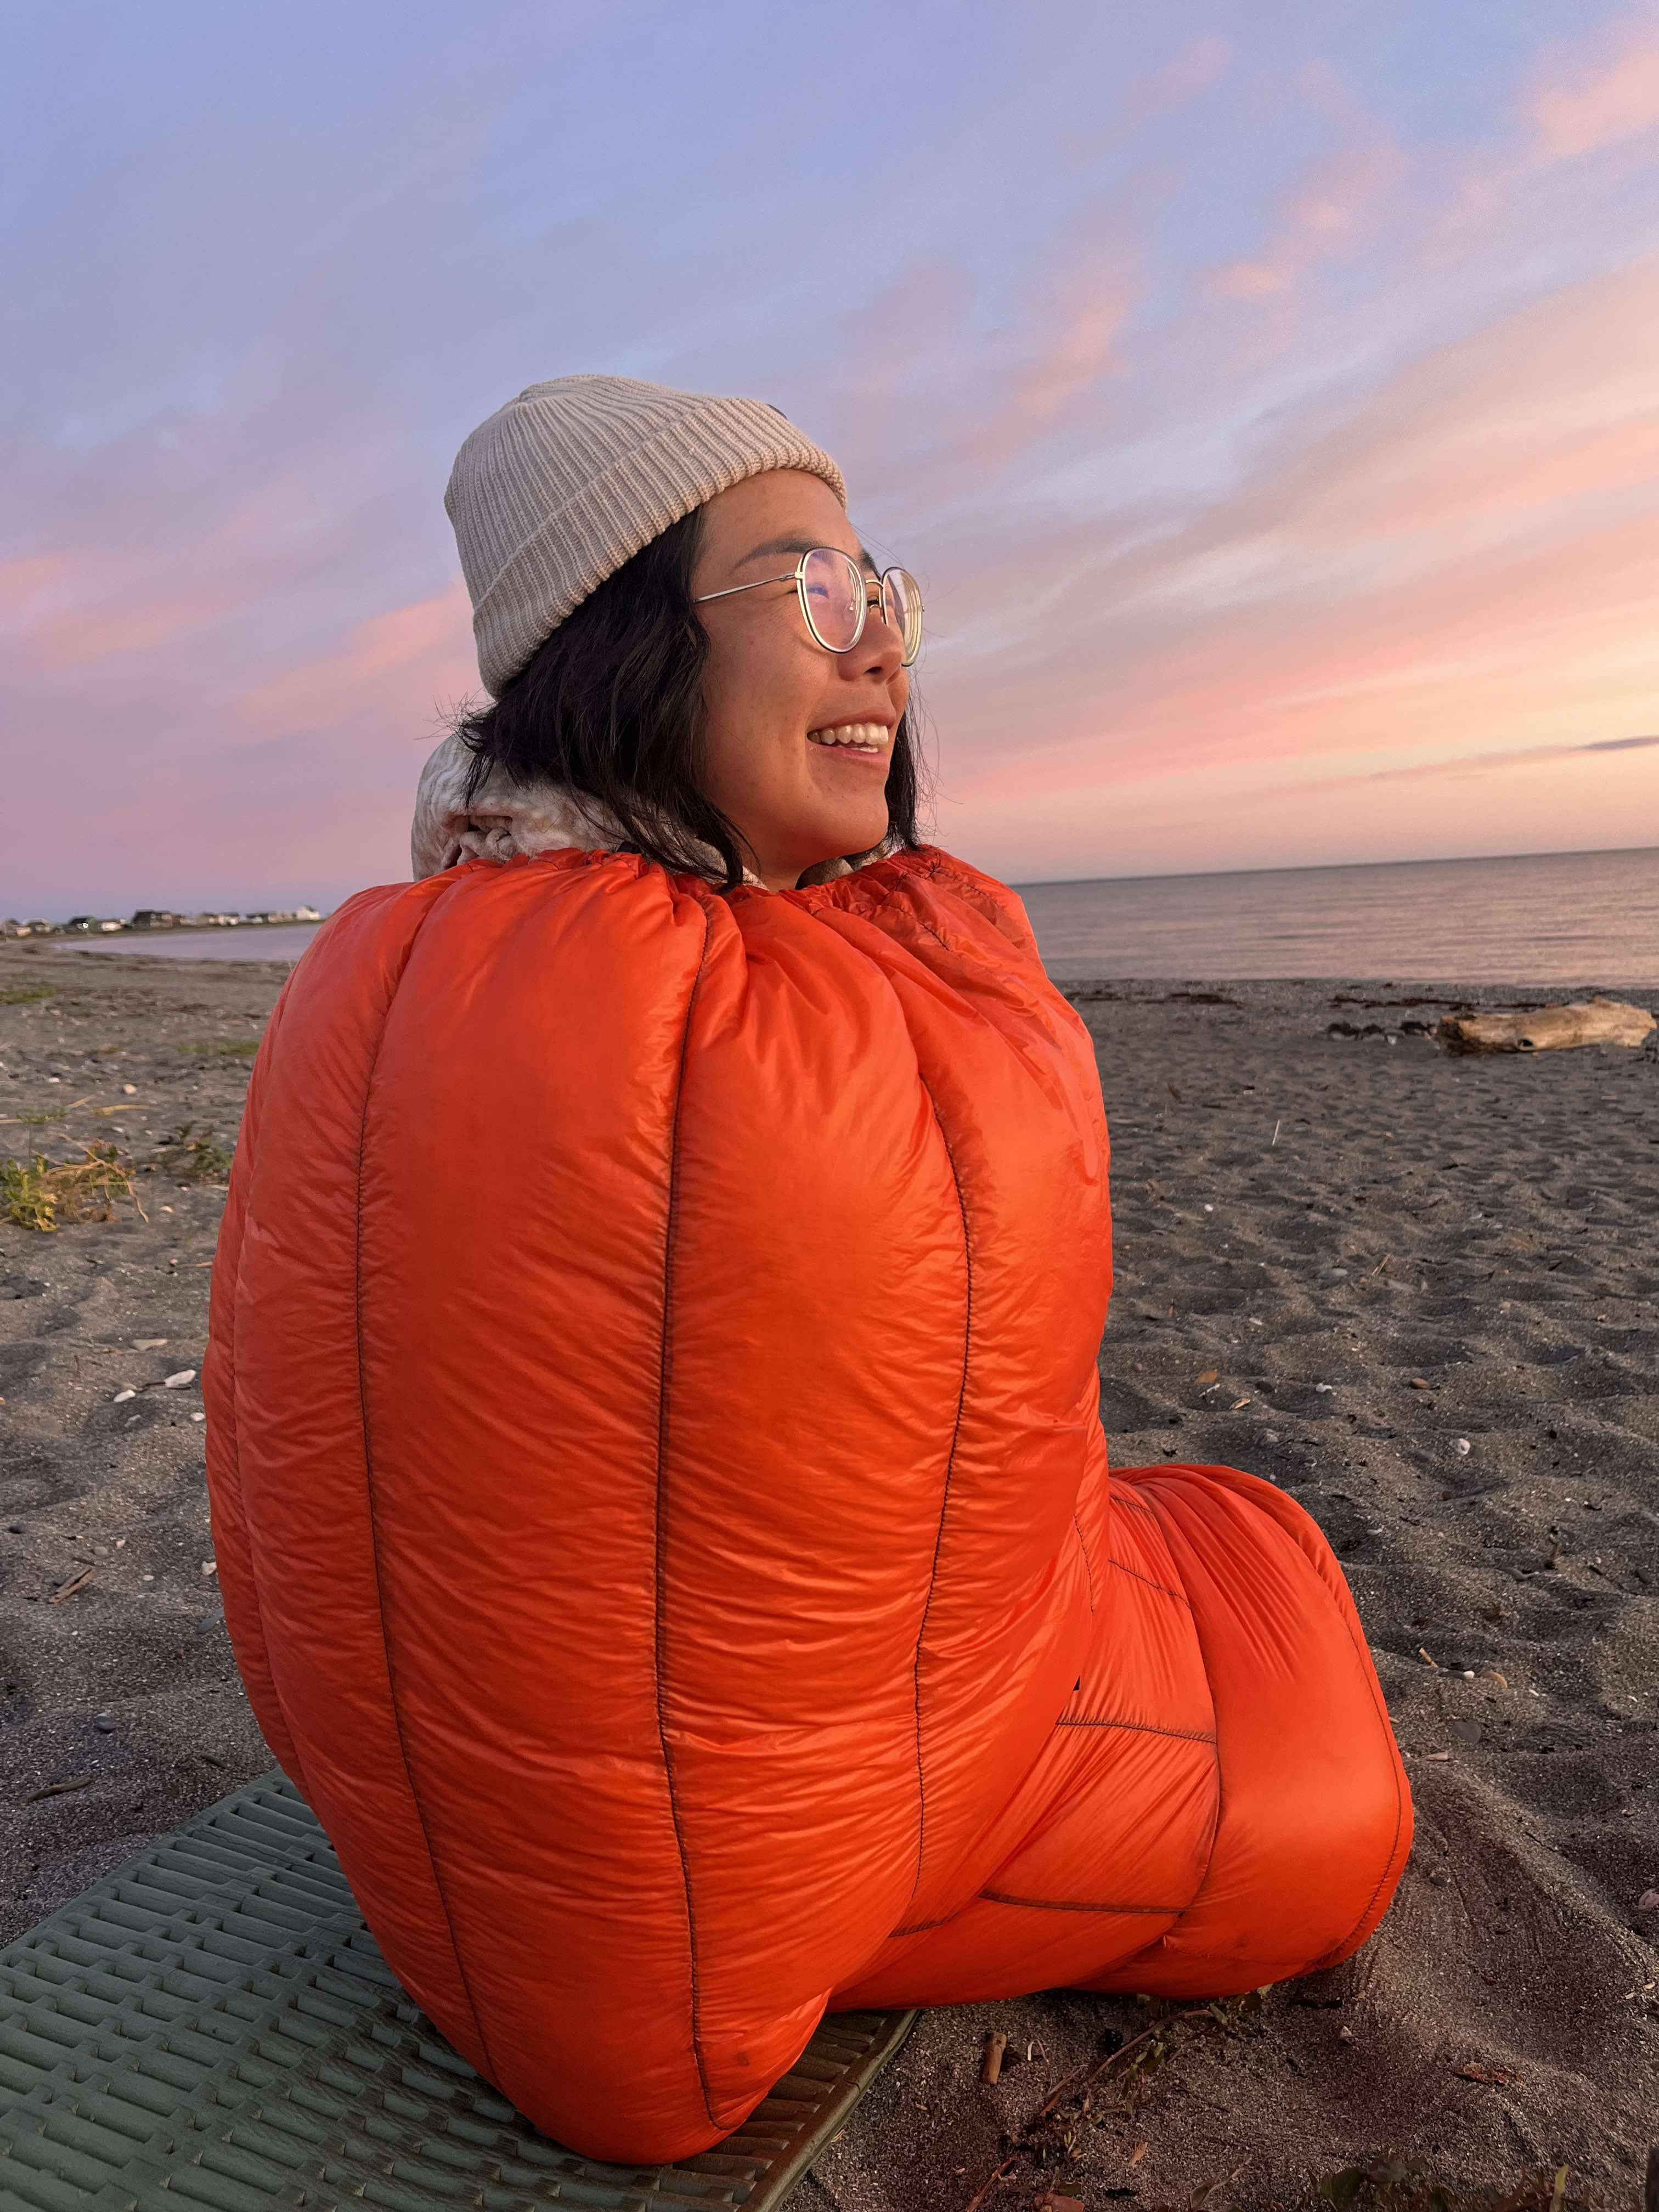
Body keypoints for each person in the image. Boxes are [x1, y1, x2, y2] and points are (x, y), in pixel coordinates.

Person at [205, 375, 1410, 2165]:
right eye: (814, 596)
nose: (884, 661)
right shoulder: (748, 1031)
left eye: (888, 598)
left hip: (501, 1871)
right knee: (1326, 1779)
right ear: (617, 639)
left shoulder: (383, 957)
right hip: (706, 1941)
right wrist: (935, 939)